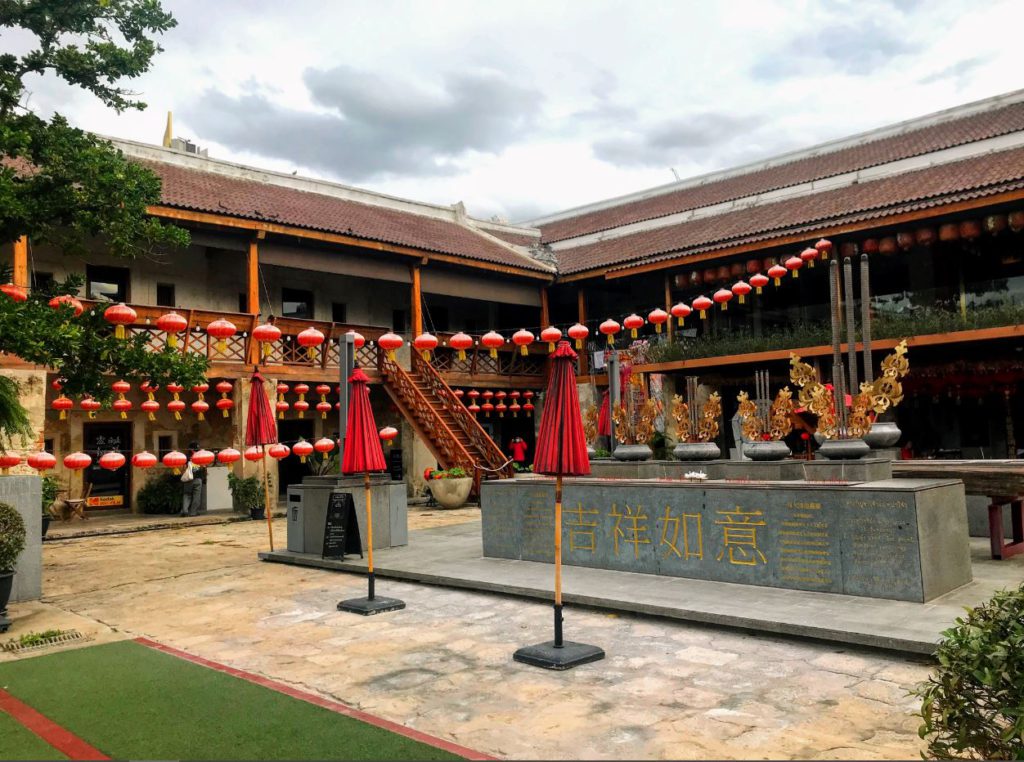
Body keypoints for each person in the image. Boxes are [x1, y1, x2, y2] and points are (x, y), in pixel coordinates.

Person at [180, 441, 206, 517]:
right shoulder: (201, 457)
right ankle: (193, 512)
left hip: (188, 479)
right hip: (198, 479)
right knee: (196, 496)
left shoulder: (186, 458)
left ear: (190, 449)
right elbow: (204, 467)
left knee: (187, 494)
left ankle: (185, 510)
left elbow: (183, 469)